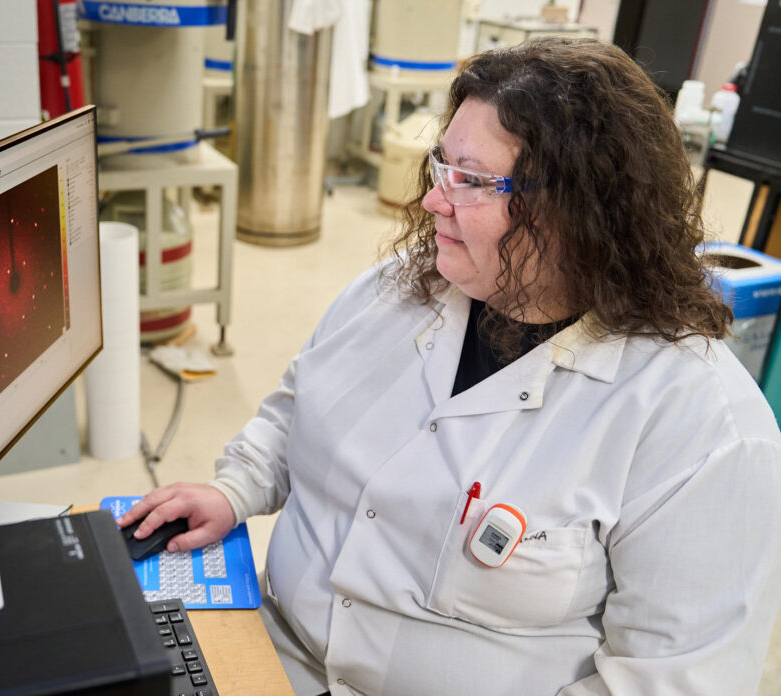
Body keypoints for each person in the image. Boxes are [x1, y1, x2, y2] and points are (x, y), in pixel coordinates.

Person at [117, 37, 781, 695]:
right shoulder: (401, 287)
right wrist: (235, 489)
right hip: (271, 657)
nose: (435, 200)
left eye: (470, 180)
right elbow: (299, 405)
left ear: (580, 209)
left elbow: (670, 682)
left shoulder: (702, 426)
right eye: (443, 166)